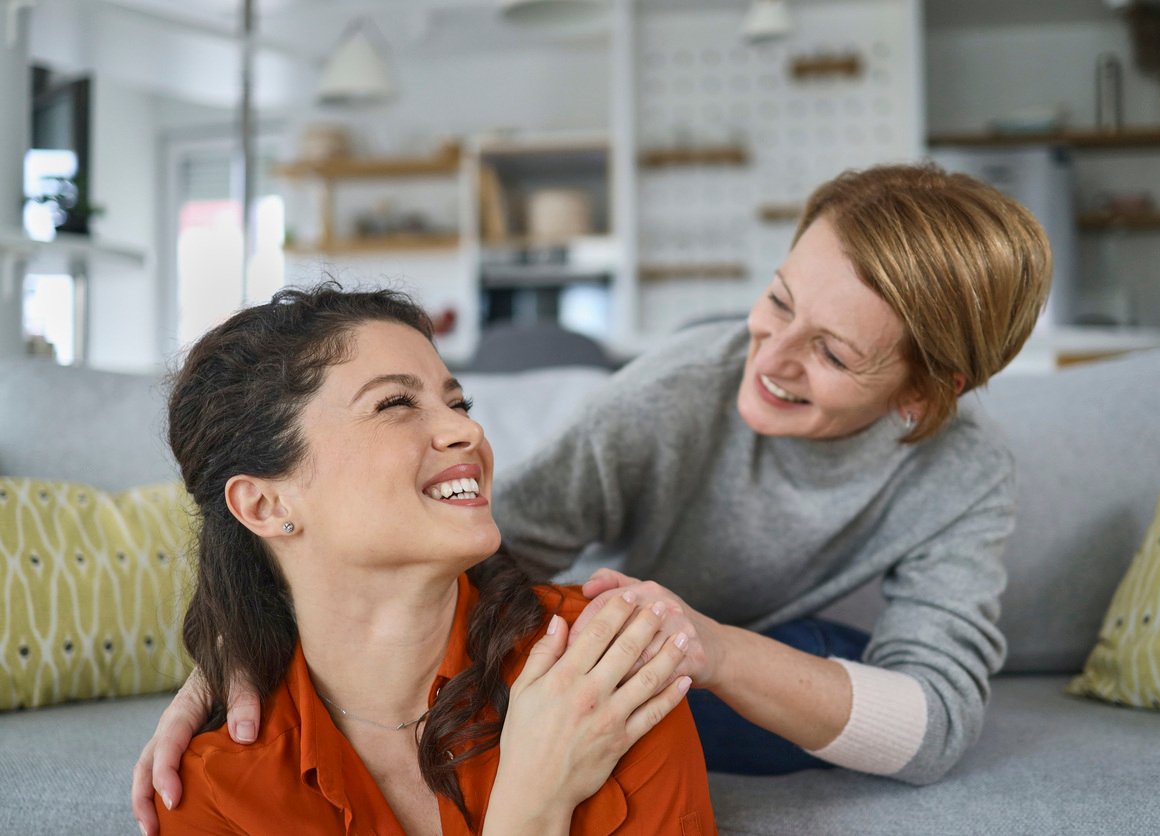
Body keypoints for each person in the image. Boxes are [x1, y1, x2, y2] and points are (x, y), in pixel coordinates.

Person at [135, 161, 1051, 823]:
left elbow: (934, 723)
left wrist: (706, 650)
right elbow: (475, 541)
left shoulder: (962, 472)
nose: (770, 359)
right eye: (778, 303)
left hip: (713, 652)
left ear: (925, 393)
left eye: (834, 353)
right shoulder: (673, 397)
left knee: (776, 660)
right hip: (628, 627)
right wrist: (247, 645)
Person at [147, 284, 715, 835]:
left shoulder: (603, 662)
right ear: (266, 504)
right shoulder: (214, 788)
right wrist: (533, 806)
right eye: (395, 403)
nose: (467, 429)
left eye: (457, 402)